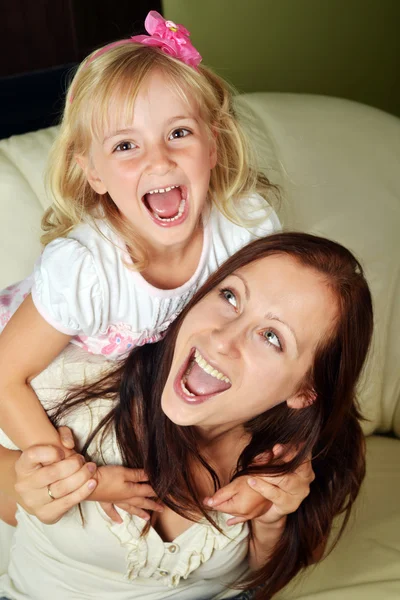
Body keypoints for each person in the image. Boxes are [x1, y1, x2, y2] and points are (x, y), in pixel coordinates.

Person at [0, 11, 280, 521]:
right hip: (35, 362)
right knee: (27, 489)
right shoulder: (86, 269)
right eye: (125, 145)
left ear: (213, 143)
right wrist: (86, 477)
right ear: (94, 173)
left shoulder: (245, 229)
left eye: (178, 133)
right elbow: (6, 377)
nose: (159, 160)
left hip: (141, 380)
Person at [0, 232, 373, 600]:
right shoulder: (76, 386)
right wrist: (33, 485)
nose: (222, 339)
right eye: (230, 296)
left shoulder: (301, 456)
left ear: (305, 390)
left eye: (272, 337)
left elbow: (273, 570)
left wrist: (272, 519)